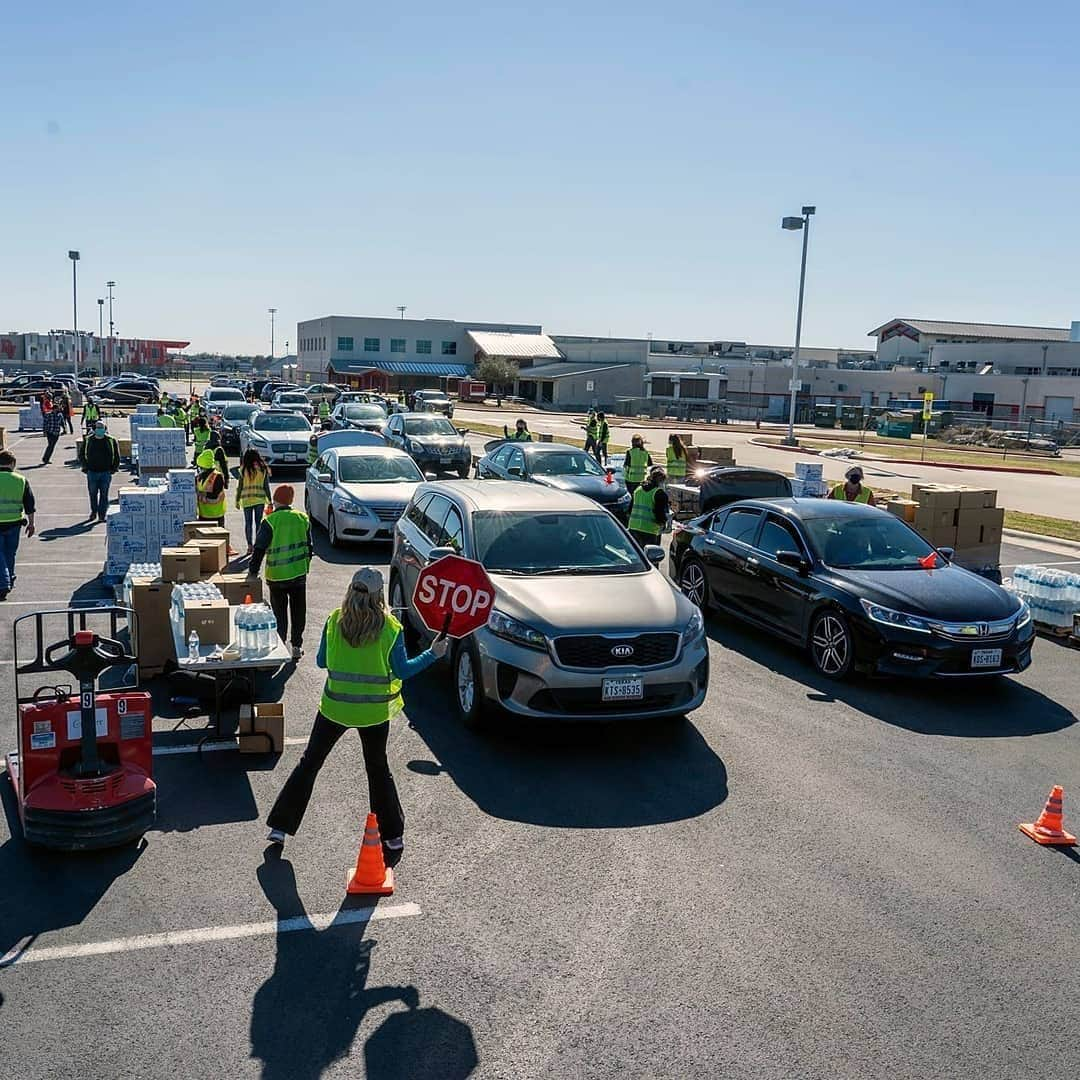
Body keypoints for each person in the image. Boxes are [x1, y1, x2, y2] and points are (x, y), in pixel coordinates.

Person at [265, 567, 447, 857]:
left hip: (335, 708)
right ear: (379, 595)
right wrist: (432, 654)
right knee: (377, 770)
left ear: (351, 590)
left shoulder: (334, 620)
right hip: (373, 714)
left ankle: (280, 828)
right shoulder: (391, 628)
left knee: (309, 764)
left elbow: (322, 661)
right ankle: (392, 837)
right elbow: (403, 670)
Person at [247, 485, 312, 660]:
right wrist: (305, 564)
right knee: (299, 611)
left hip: (276, 576)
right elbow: (309, 546)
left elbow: (259, 548)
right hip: (298, 574)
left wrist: (252, 571)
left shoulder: (270, 521)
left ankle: (281, 644)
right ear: (291, 500)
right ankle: (297, 646)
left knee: (279, 612)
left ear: (275, 501)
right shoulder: (302, 518)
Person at [0, 450, 36, 600]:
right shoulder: (20, 479)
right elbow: (30, 504)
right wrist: (32, 524)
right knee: (10, 553)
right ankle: (10, 576)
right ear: (13, 464)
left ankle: (3, 583)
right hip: (14, 523)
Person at [80, 421, 120, 523]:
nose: (99, 430)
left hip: (105, 472)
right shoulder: (88, 440)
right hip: (92, 472)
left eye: (101, 428)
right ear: (94, 429)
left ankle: (102, 515)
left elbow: (116, 455)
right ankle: (94, 511)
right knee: (93, 494)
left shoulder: (111, 440)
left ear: (105, 429)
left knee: (104, 494)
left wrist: (114, 468)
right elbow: (82, 454)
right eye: (97, 428)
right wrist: (85, 467)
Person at [236, 448, 271, 555]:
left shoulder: (243, 469)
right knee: (258, 523)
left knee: (248, 523)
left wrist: (237, 500)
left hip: (246, 499)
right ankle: (257, 545)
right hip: (259, 499)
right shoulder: (263, 469)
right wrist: (270, 501)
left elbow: (240, 486)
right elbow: (266, 486)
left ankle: (249, 546)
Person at [628, 465, 670, 547]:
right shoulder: (659, 493)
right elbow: (659, 514)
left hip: (633, 528)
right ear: (661, 481)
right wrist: (664, 522)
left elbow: (630, 509)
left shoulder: (638, 489)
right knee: (650, 556)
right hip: (649, 530)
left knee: (636, 555)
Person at [195, 448, 227, 523]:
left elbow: (215, 495)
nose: (199, 469)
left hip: (216, 515)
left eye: (201, 467)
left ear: (205, 467)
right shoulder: (199, 477)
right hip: (203, 515)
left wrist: (201, 494)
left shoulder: (218, 476)